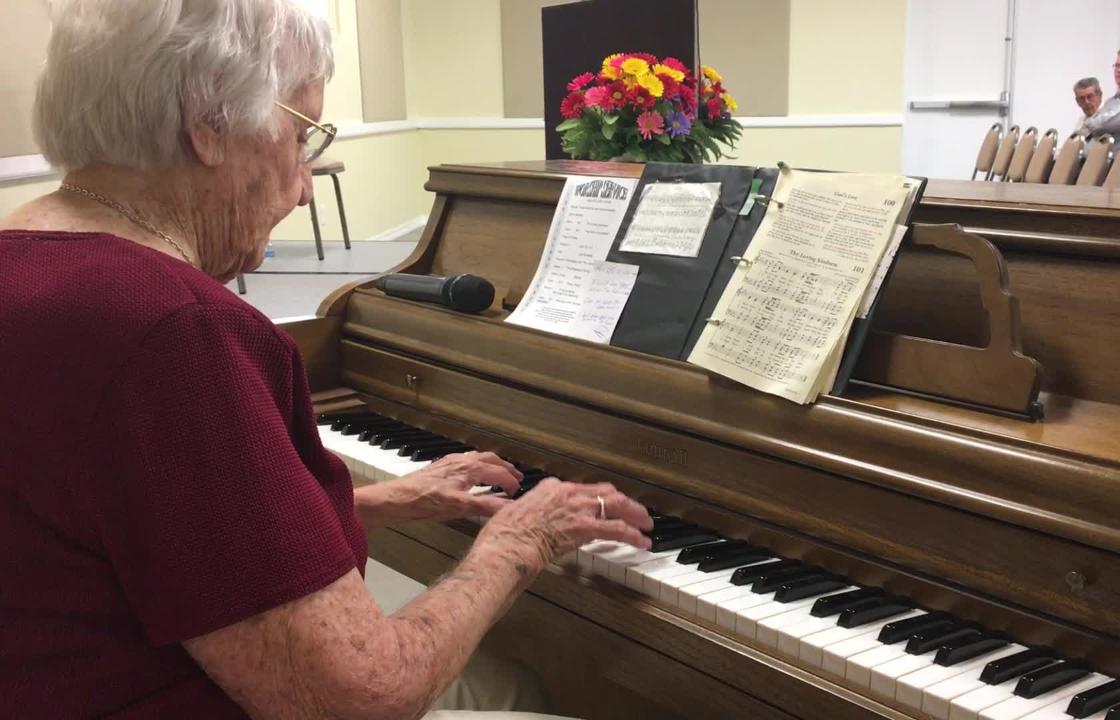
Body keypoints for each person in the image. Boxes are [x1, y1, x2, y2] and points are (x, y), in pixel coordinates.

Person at [0, 2, 653, 719]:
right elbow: (360, 698)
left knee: (512, 686)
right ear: (208, 123)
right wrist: (519, 541)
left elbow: (150, 522)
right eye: (303, 133)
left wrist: (378, 499)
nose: (305, 184)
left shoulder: (28, 256)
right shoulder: (174, 332)